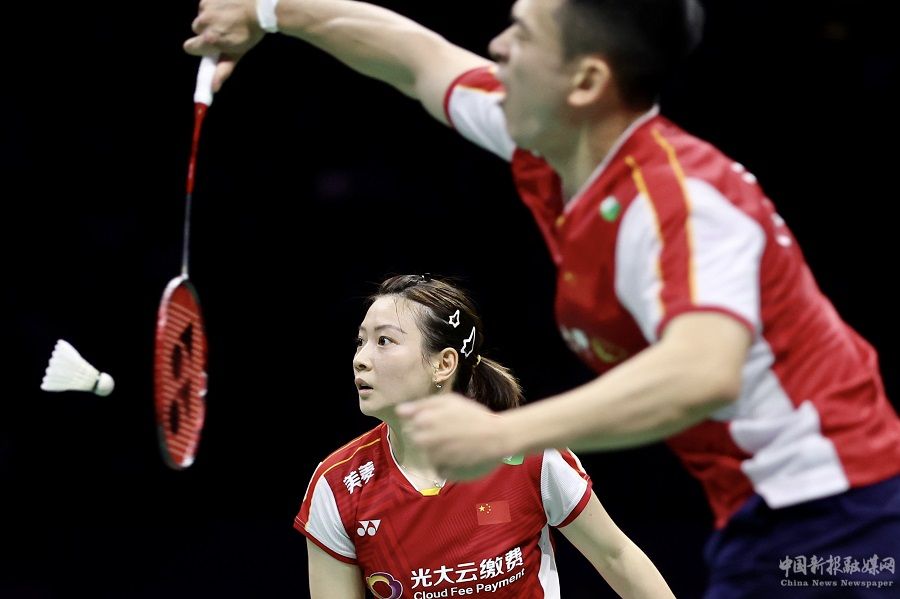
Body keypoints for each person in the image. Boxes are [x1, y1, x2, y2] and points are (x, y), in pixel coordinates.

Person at [184, 0, 900, 595]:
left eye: (522, 35)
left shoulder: (679, 204)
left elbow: (701, 371)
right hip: (765, 512)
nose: (497, 45)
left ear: (585, 81)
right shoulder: (554, 147)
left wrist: (503, 435)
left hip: (836, 514)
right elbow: (417, 60)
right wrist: (269, 13)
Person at [294, 274, 675, 597]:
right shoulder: (339, 484)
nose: (360, 359)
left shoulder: (528, 455)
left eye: (384, 341)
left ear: (443, 364)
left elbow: (616, 556)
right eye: (360, 341)